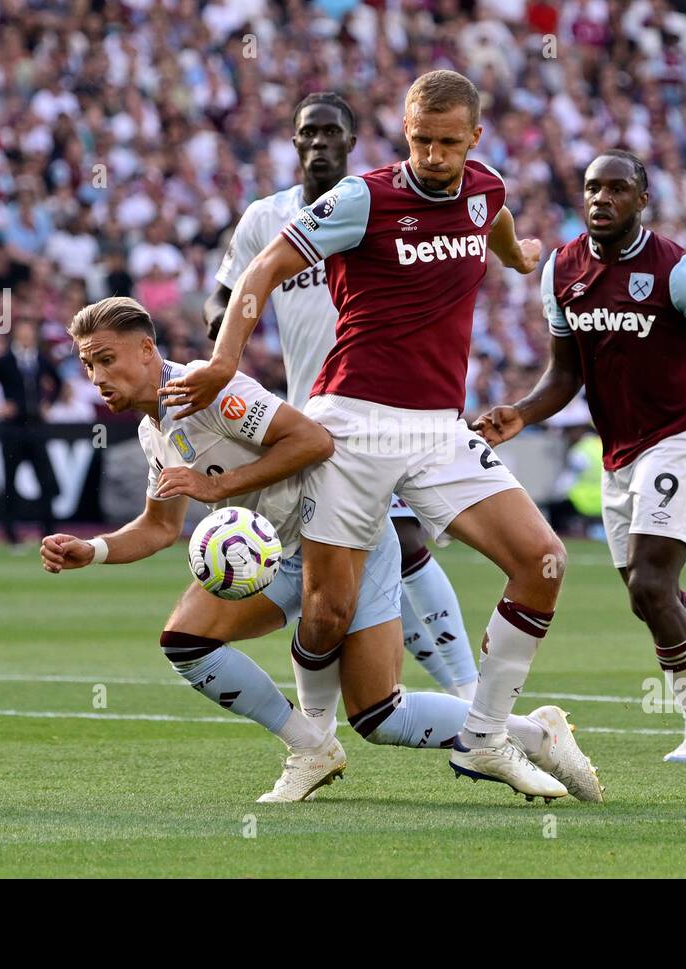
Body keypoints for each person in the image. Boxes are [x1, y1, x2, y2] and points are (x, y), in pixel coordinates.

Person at [164, 70, 576, 801]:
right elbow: (265, 266)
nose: (434, 156)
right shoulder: (365, 198)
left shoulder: (486, 189)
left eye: (449, 143)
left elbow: (498, 223)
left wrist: (517, 257)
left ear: (474, 138)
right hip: (351, 423)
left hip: (437, 428)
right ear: (403, 133)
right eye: (420, 140)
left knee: (543, 561)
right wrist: (224, 361)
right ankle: (313, 748)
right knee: (326, 610)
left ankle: (485, 737)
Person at [42, 297, 599, 802]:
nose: (96, 377)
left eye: (106, 359)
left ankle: (531, 733)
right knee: (186, 642)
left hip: (342, 535)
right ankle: (310, 746)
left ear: (146, 349)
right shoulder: (152, 430)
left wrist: (217, 488)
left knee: (379, 715)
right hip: (274, 557)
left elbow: (313, 440)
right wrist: (92, 550)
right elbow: (160, 526)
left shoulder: (211, 391)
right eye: (88, 365)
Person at [475, 150, 686, 763]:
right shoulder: (560, 270)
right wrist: (521, 412)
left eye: (617, 189)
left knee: (653, 585)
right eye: (593, 188)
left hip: (681, 435)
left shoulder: (675, 270)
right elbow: (564, 373)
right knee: (647, 595)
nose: (602, 199)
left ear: (642, 200)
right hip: (619, 451)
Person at [203, 91, 479, 706]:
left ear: (352, 143)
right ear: (294, 141)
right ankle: (359, 712)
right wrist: (225, 345)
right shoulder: (263, 218)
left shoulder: (374, 204)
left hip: (384, 407)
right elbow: (224, 295)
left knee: (406, 545)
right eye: (309, 133)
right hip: (310, 416)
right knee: (345, 573)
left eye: (333, 133)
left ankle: (466, 695)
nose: (320, 143)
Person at [0, 320, 61, 548]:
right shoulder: (5, 362)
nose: (27, 336)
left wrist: (48, 403)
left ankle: (48, 532)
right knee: (10, 483)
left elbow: (58, 381)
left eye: (30, 332)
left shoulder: (39, 360)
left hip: (36, 428)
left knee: (47, 482)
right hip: (12, 430)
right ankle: (10, 534)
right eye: (23, 332)